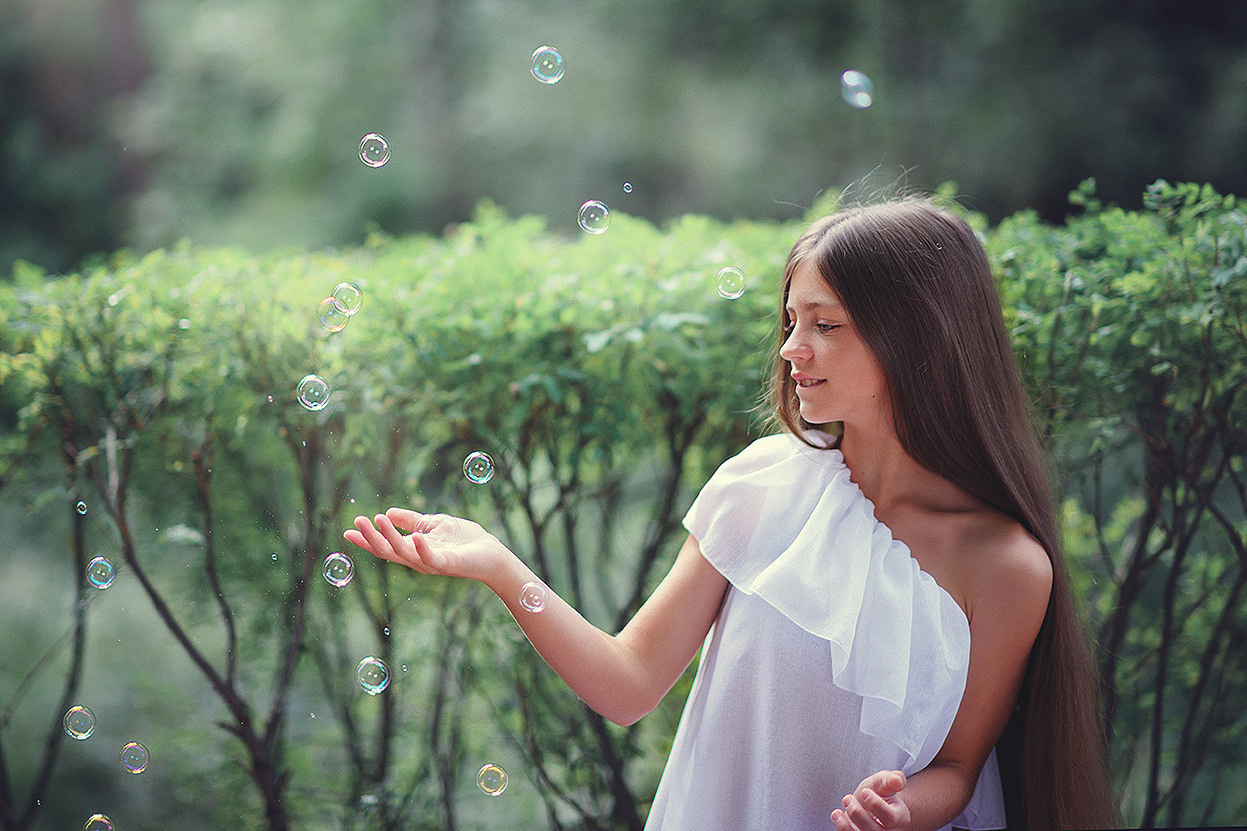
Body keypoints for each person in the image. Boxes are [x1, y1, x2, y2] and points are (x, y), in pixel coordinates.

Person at [345, 198, 1117, 830]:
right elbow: (628, 683)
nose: (790, 348)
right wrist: (498, 564)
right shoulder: (759, 484)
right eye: (789, 321)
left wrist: (901, 808)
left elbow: (957, 766)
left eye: (824, 324)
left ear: (916, 338)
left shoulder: (1007, 565)